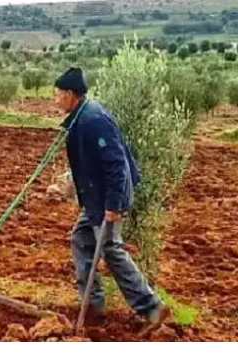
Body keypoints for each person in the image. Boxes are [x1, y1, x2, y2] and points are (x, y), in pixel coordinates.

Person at [53, 67, 170, 336]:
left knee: (111, 249)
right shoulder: (80, 117)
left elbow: (116, 164)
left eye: (56, 95)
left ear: (70, 94)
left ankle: (151, 307)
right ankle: (93, 306)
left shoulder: (93, 120)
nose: (54, 100)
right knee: (82, 239)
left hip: (106, 198)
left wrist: (114, 205)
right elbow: (89, 163)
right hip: (95, 198)